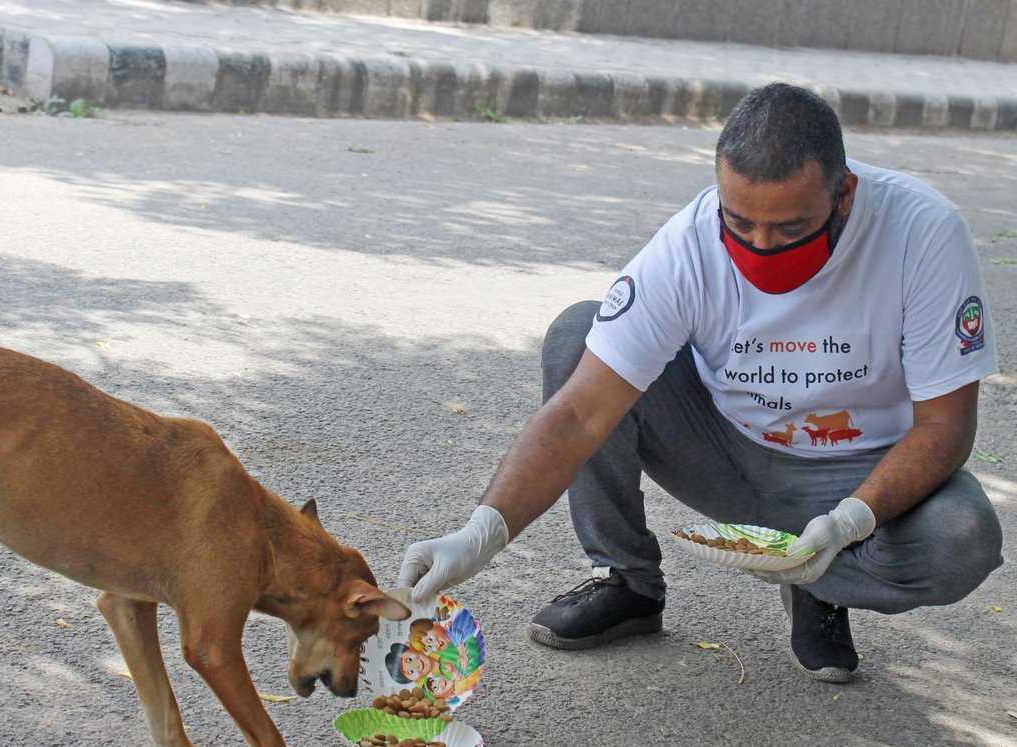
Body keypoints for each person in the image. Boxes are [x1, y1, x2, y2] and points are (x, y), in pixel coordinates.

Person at [397, 82, 1003, 684]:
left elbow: (945, 427)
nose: (760, 247)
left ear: (843, 194)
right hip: (723, 451)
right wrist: (481, 532)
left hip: (856, 470)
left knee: (962, 538)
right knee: (580, 335)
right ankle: (629, 581)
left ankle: (817, 576)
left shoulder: (922, 233)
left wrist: (852, 522)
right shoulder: (689, 242)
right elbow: (582, 413)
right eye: (738, 222)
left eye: (790, 229)